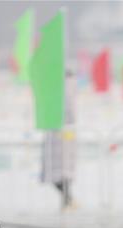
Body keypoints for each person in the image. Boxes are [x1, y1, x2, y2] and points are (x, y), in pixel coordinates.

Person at [41, 71, 77, 208]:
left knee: (63, 171)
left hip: (64, 135)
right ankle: (68, 199)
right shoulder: (64, 90)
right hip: (59, 135)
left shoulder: (65, 91)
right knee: (59, 172)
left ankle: (68, 199)